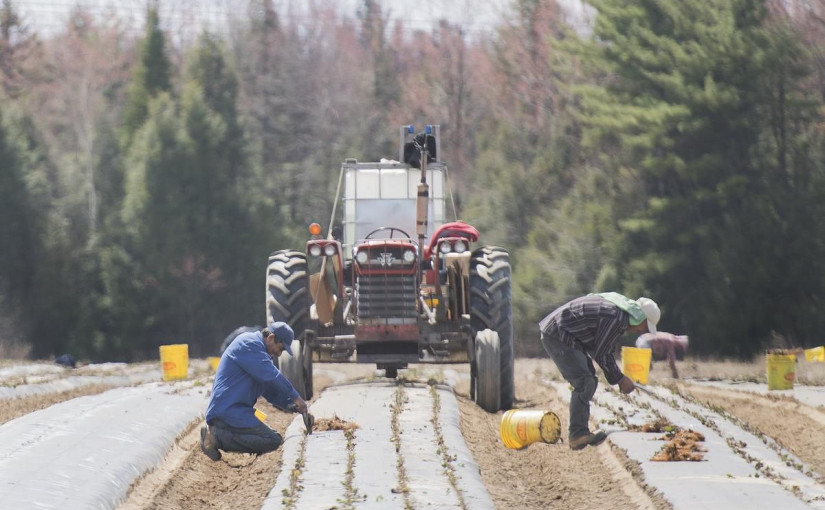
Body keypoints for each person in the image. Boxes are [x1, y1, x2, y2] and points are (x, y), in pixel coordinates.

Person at [539, 292, 660, 451]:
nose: (641, 330)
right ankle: (577, 435)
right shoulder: (615, 317)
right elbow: (602, 353)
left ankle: (580, 432)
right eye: (644, 326)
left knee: (589, 377)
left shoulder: (616, 310)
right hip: (559, 334)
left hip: (562, 333)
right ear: (639, 317)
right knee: (584, 381)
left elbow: (602, 348)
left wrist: (617, 377)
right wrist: (620, 379)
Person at [200, 322, 313, 461]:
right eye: (281, 348)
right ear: (271, 338)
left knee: (273, 439)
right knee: (272, 440)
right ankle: (215, 438)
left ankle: (219, 434)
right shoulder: (249, 344)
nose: (279, 353)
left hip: (237, 411)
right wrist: (297, 398)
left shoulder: (260, 353)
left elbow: (270, 392)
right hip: (227, 410)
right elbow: (274, 376)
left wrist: (295, 407)